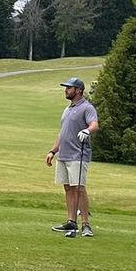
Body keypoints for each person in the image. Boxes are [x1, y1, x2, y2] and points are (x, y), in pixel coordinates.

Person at [46, 77, 100, 237]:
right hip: (63, 155)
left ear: (78, 90)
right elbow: (62, 134)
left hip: (78, 154)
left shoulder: (87, 108)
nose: (66, 90)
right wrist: (53, 151)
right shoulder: (67, 109)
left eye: (69, 88)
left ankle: (85, 225)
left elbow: (94, 125)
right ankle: (71, 222)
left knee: (79, 188)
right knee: (68, 188)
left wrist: (87, 131)